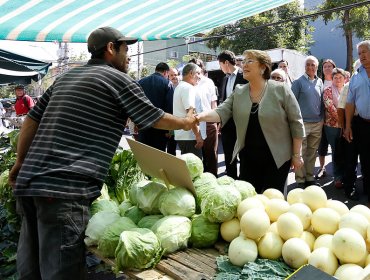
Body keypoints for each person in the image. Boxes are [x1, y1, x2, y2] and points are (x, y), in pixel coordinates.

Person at [8, 26, 198, 280]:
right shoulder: (117, 80)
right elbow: (155, 118)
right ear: (111, 49)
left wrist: (21, 162)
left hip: (30, 181)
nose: (129, 56)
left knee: (30, 268)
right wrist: (186, 122)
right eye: (125, 49)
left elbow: (31, 120)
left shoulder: (65, 77)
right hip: (65, 188)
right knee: (60, 272)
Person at [197, 50, 304, 193]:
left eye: (250, 61)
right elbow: (220, 112)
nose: (244, 64)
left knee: (272, 202)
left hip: (277, 158)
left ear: (263, 67)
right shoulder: (239, 91)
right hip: (248, 158)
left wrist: (297, 155)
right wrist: (198, 117)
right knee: (249, 200)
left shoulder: (280, 89)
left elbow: (296, 123)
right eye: (244, 61)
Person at [292, 55, 324, 188]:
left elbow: (322, 101)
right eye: (308, 64)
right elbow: (292, 103)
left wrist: (321, 119)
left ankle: (310, 177)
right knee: (300, 152)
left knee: (312, 152)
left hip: (317, 123)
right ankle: (300, 179)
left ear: (317, 67)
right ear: (305, 67)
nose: (310, 67)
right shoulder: (298, 82)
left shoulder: (320, 82)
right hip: (302, 123)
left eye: (313, 65)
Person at [344, 40, 370, 205]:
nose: (361, 56)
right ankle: (352, 188)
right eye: (359, 53)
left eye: (364, 51)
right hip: (361, 123)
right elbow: (349, 103)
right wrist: (347, 126)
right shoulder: (355, 76)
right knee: (363, 157)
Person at [218, 50, 248, 179]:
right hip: (227, 125)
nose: (220, 68)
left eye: (220, 64)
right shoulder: (224, 79)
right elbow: (223, 101)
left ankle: (244, 180)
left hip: (243, 123)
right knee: (229, 155)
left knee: (244, 155)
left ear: (226, 62)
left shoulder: (245, 76)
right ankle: (231, 180)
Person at [189, 58, 219, 176]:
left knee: (211, 155)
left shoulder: (208, 82)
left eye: (198, 67)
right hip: (193, 123)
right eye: (193, 67)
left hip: (209, 122)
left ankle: (212, 179)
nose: (196, 70)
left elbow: (213, 103)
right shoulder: (187, 83)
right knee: (196, 157)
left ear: (202, 68)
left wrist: (215, 121)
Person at [338, 59, 362, 200]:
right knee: (350, 158)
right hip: (351, 123)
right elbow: (340, 109)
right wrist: (344, 127)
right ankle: (350, 187)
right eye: (359, 69)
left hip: (365, 124)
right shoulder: (348, 86)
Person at [138, 62, 174, 151]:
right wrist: (169, 129)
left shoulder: (141, 82)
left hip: (143, 125)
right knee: (158, 155)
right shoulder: (167, 84)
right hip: (160, 126)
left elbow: (137, 103)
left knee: (144, 154)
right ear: (166, 72)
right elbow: (169, 106)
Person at [173, 63, 205, 158]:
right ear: (191, 73)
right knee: (194, 169)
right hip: (190, 137)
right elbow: (191, 114)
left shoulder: (180, 87)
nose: (200, 77)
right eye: (198, 73)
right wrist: (198, 136)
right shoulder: (188, 88)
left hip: (183, 135)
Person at [322, 67, 346, 188]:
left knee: (347, 151)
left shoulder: (348, 90)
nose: (337, 79)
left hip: (347, 127)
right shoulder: (327, 91)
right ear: (332, 78)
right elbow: (331, 109)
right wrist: (345, 122)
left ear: (344, 78)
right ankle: (337, 177)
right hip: (333, 127)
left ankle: (346, 175)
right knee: (336, 152)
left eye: (340, 77)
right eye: (335, 77)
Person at [316, 59, 336, 180]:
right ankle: (322, 168)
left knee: (335, 146)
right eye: (325, 67)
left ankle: (336, 170)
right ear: (322, 70)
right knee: (322, 145)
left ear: (334, 68)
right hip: (321, 120)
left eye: (330, 66)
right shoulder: (320, 83)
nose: (327, 68)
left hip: (335, 121)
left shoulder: (337, 80)